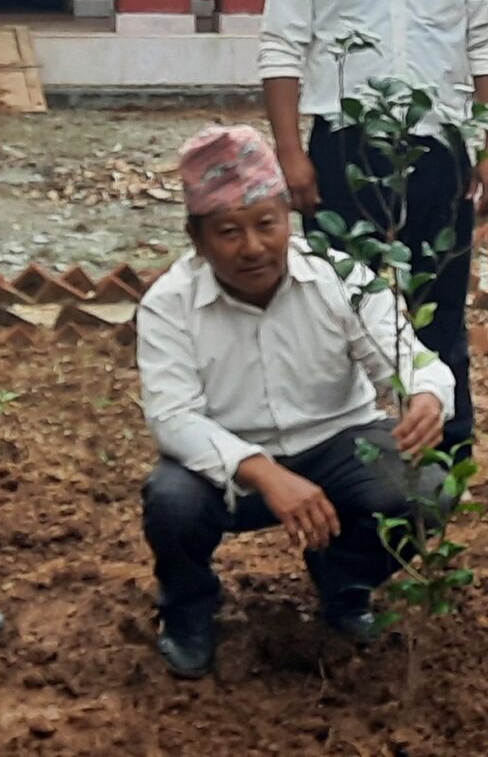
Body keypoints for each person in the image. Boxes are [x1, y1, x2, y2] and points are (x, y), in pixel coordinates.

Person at [138, 125, 453, 678]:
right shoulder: (169, 305)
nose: (253, 247)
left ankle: (344, 584)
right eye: (229, 232)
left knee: (424, 487)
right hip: (230, 467)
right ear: (197, 238)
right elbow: (173, 417)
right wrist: (262, 471)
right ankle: (188, 610)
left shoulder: (341, 280)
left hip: (337, 446)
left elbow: (407, 356)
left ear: (289, 217)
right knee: (172, 502)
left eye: (267, 224)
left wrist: (425, 393)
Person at [259, 0, 488, 462]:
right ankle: (339, 454)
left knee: (441, 307)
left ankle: (446, 458)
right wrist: (291, 154)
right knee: (334, 306)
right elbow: (281, 46)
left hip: (440, 149)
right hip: (343, 150)